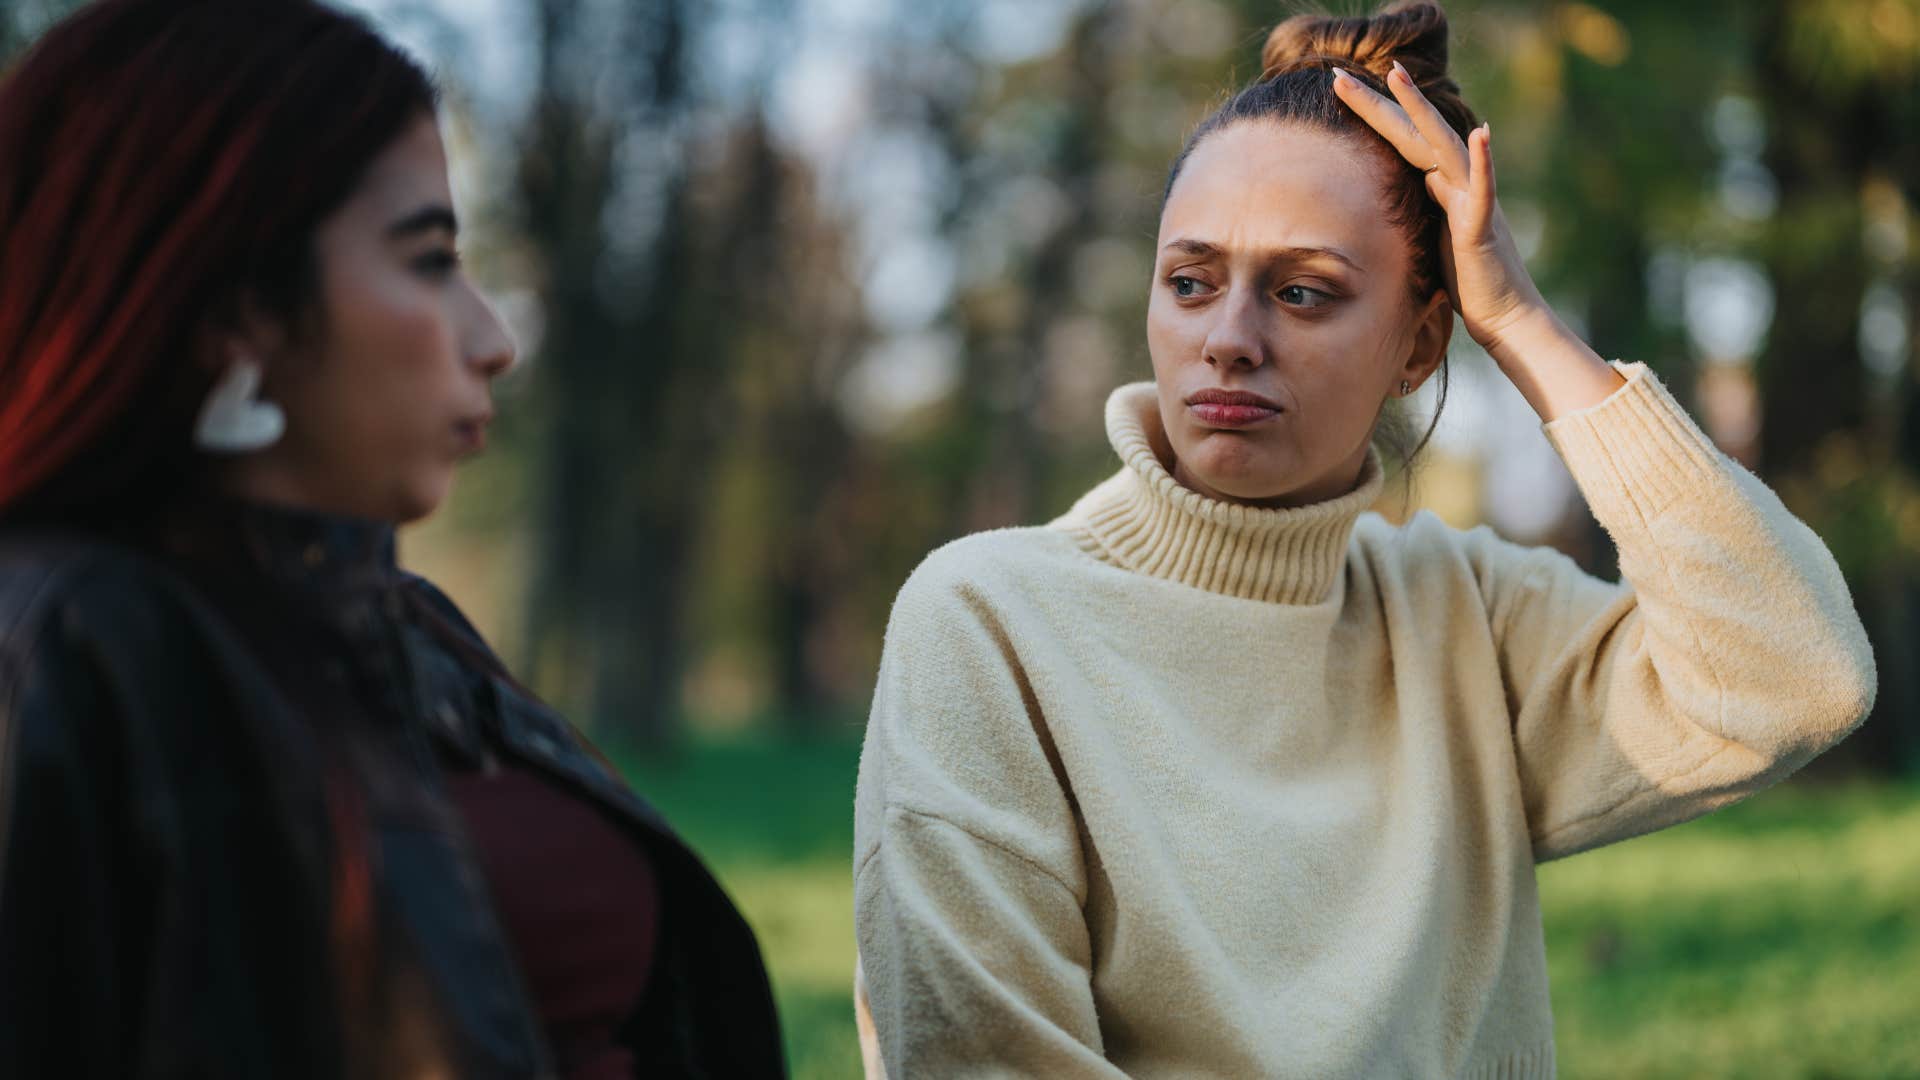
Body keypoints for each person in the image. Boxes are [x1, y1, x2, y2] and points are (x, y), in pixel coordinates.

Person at [851, 2, 1876, 1076]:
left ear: (1420, 345)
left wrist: (1523, 326)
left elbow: (1796, 677)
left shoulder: (1468, 620)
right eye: (1190, 281)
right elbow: (980, 1060)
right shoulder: (988, 623)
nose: (1230, 340)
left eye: (1302, 293)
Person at [0, 2, 783, 1077]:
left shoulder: (407, 630)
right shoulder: (60, 644)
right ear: (235, 305)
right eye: (428, 261)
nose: (493, 340)